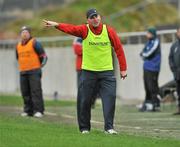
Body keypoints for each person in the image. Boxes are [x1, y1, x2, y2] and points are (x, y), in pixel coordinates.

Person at [43, 8, 127, 134]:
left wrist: (123, 69)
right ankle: (84, 128)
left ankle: (109, 128)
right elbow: (70, 28)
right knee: (84, 100)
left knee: (110, 99)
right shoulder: (84, 30)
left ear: (100, 17)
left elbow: (119, 49)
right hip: (88, 72)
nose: (95, 19)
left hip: (107, 72)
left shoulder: (109, 31)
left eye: (96, 16)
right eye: (92, 17)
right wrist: (57, 25)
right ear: (88, 20)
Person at [16, 26, 48, 118]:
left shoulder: (35, 43)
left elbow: (44, 56)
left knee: (36, 91)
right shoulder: (18, 45)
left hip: (34, 71)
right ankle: (28, 110)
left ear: (29, 33)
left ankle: (39, 111)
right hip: (23, 72)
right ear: (20, 34)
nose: (24, 34)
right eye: (22, 32)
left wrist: (39, 66)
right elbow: (17, 58)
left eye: (26, 32)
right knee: (25, 92)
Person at [139, 27, 161, 112]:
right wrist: (143, 54)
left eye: (148, 33)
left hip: (153, 68)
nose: (146, 35)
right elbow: (142, 52)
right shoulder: (148, 42)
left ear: (152, 34)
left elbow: (148, 53)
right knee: (147, 86)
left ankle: (155, 104)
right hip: (146, 67)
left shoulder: (156, 41)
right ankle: (148, 104)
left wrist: (144, 55)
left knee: (152, 86)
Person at [73, 37, 98, 109]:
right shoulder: (78, 38)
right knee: (81, 87)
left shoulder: (94, 36)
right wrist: (90, 49)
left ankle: (91, 102)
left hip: (93, 66)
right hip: (81, 67)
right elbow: (77, 50)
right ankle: (82, 104)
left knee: (94, 86)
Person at [169, 27, 180, 115]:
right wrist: (173, 68)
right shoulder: (174, 45)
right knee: (178, 91)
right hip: (177, 74)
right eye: (178, 32)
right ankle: (179, 108)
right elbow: (170, 58)